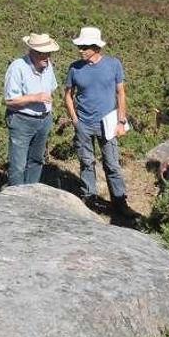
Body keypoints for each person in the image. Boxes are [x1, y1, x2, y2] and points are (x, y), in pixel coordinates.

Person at [63, 27, 134, 215]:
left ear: (96, 47)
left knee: (112, 164)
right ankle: (90, 199)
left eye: (85, 46)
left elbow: (121, 93)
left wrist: (121, 121)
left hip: (108, 124)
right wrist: (75, 119)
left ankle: (120, 202)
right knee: (87, 162)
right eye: (80, 46)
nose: (81, 50)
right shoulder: (74, 68)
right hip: (84, 124)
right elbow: (68, 95)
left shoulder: (113, 64)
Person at [4, 33, 60, 186]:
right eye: (43, 53)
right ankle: (16, 198)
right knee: (18, 165)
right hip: (22, 120)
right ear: (32, 51)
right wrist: (35, 98)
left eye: (49, 53)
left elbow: (52, 88)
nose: (47, 57)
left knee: (36, 160)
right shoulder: (17, 67)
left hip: (44, 120)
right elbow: (10, 101)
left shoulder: (48, 67)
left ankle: (31, 195)